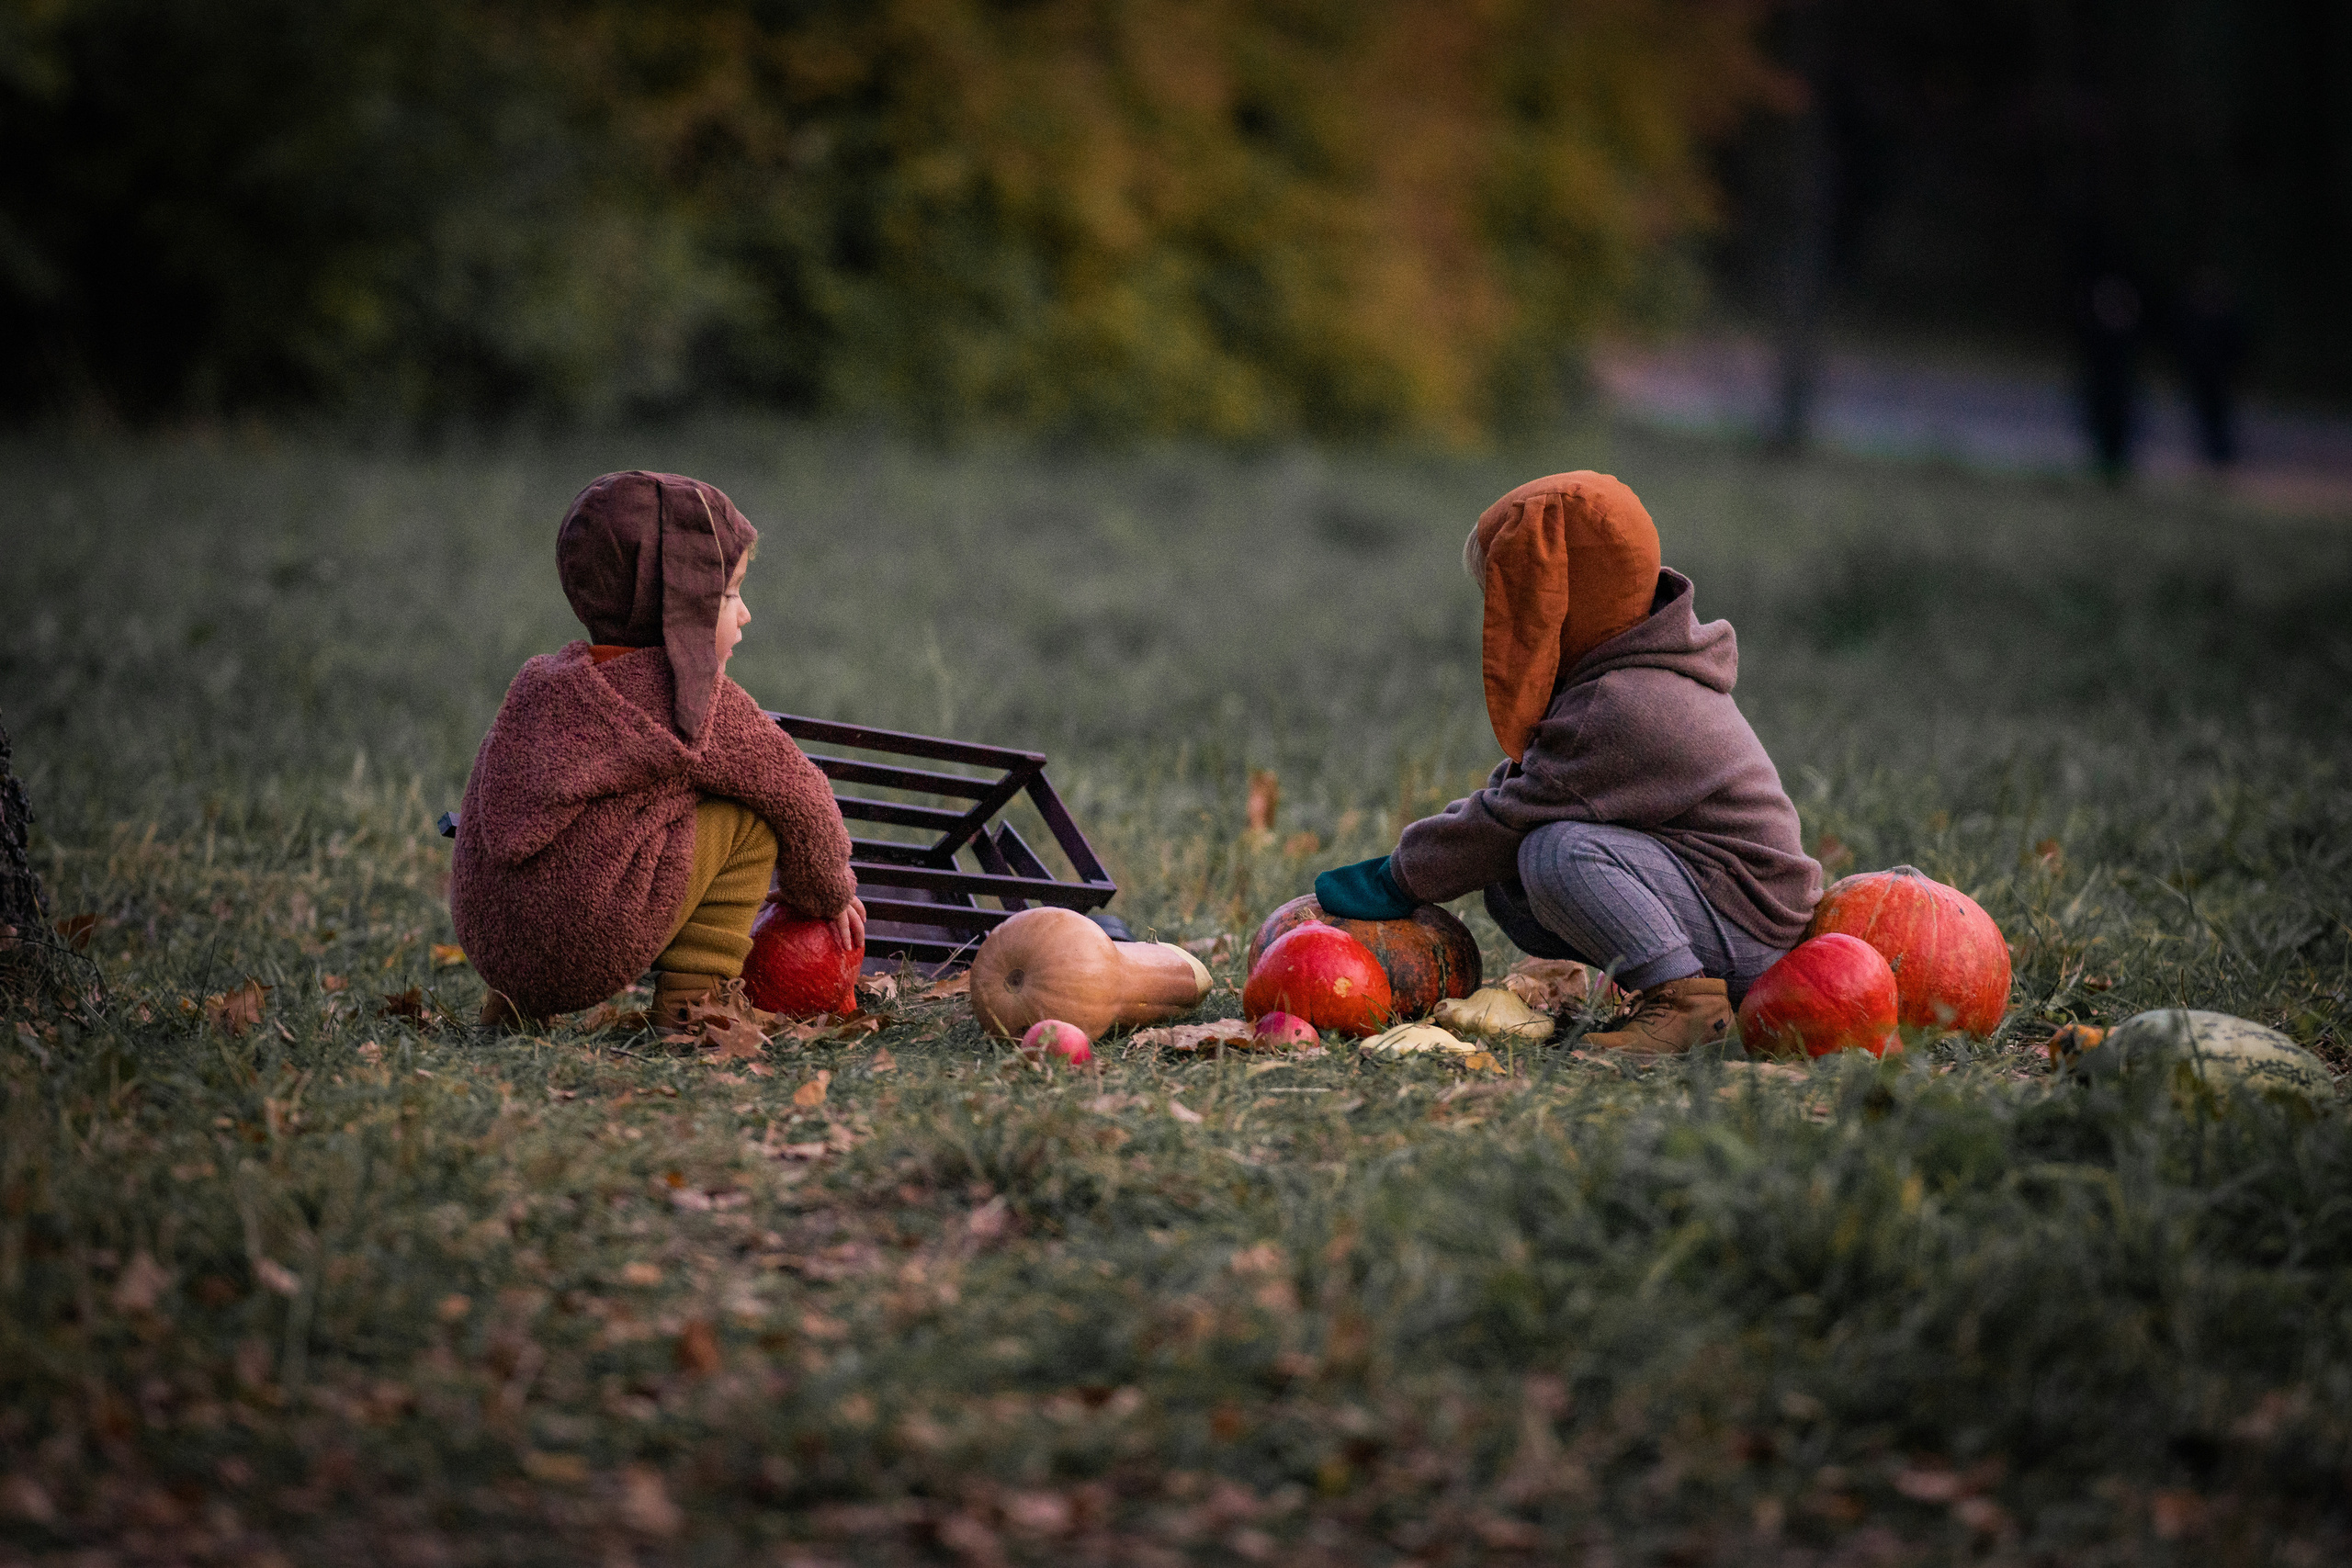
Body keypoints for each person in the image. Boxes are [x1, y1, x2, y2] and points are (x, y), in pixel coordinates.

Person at [1314, 472, 1820, 1054]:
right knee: (1512, 878)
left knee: (1553, 852)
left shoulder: (1622, 702)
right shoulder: (1632, 663)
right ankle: (1671, 981)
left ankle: (1688, 1004)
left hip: (1753, 936)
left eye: (1510, 602)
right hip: (1723, 906)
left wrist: (1395, 877)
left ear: (1555, 602)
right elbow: (1525, 791)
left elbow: (1509, 817)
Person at [450, 470, 863, 1030]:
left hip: (490, 938)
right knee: (752, 820)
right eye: (730, 594)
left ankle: (514, 1013)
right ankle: (694, 1009)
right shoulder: (692, 700)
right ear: (682, 607)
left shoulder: (540, 686)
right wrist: (826, 892)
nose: (744, 614)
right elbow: (801, 795)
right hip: (587, 943)